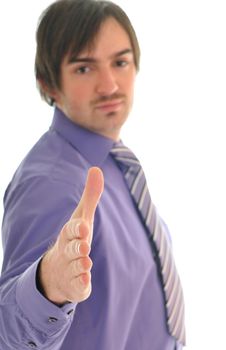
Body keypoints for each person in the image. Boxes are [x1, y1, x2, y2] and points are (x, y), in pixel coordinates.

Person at [0, 1, 186, 349]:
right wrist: (46, 286)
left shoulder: (113, 163)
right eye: (84, 69)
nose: (110, 85)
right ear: (49, 84)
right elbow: (6, 331)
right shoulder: (50, 183)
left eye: (120, 62)